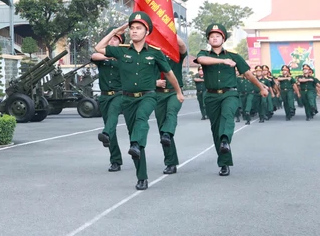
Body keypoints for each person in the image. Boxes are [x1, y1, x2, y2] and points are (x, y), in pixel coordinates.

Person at [94, 12, 184, 191]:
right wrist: (117, 31)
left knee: (142, 119)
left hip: (148, 96)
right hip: (127, 99)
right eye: (132, 28)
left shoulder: (155, 54)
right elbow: (98, 48)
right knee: (134, 141)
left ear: (147, 31)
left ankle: (136, 144)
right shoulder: (121, 51)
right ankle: (141, 176)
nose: (134, 31)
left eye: (138, 28)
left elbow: (169, 74)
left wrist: (179, 91)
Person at [195, 23, 267, 177]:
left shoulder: (234, 56)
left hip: (230, 93)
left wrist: (261, 87)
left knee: (228, 115)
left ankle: (226, 140)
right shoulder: (204, 54)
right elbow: (201, 60)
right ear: (208, 39)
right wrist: (223, 61)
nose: (215, 38)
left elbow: (248, 74)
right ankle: (224, 163)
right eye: (212, 36)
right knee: (215, 129)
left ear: (223, 39)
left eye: (218, 36)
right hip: (211, 96)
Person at [90, 31, 125, 172]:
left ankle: (106, 134)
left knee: (112, 116)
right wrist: (110, 55)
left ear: (121, 42)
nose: (112, 41)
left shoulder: (125, 57)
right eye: (110, 39)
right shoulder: (102, 57)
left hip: (119, 94)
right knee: (111, 128)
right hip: (104, 96)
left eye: (115, 39)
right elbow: (94, 55)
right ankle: (115, 160)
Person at [153, 35, 188, 175]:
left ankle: (168, 133)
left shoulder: (175, 54)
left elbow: (182, 45)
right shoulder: (152, 54)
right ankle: (171, 163)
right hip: (158, 94)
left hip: (175, 92)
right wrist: (155, 82)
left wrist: (167, 29)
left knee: (171, 112)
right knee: (162, 128)